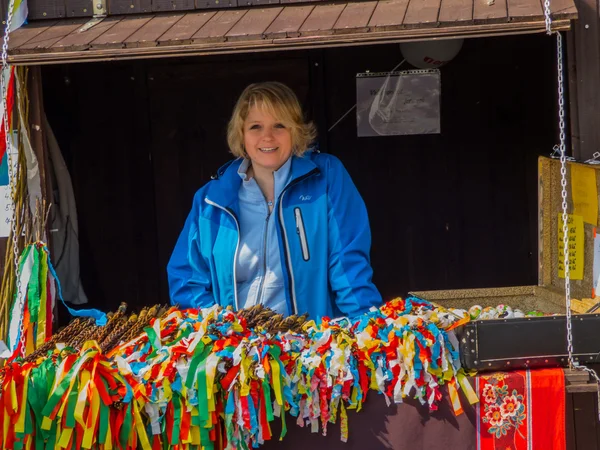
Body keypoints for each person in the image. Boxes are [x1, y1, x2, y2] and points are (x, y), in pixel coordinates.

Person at [167, 81, 381, 319]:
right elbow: (187, 280)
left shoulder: (326, 178)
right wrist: (223, 333)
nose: (267, 137)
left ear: (295, 131)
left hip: (310, 346)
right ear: (241, 134)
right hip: (237, 348)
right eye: (256, 127)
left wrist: (367, 329)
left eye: (279, 125)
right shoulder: (211, 200)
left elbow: (348, 266)